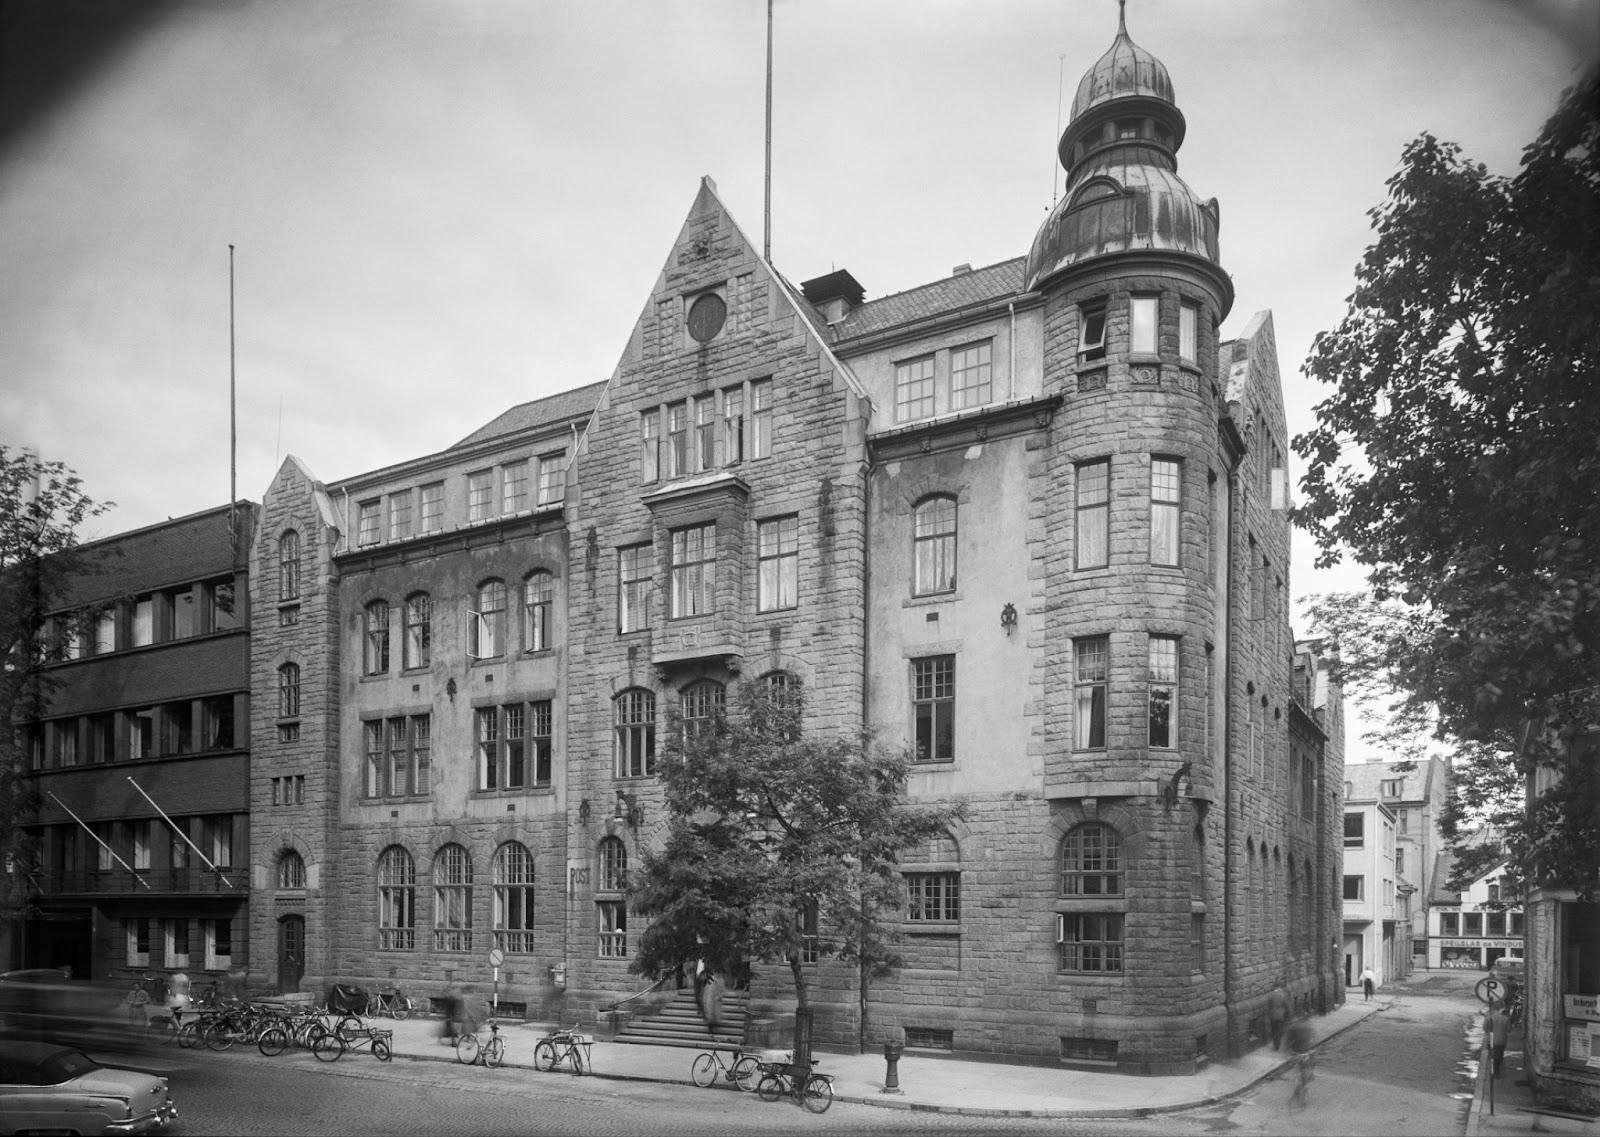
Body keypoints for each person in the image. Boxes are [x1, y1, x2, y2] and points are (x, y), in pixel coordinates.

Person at [1484, 998, 1510, 1077]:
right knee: (1499, 1056)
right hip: (1501, 1041)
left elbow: (1485, 1028)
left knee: (1492, 1056)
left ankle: (1493, 1071)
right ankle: (1497, 1070)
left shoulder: (1489, 1017)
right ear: (1502, 1008)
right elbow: (1508, 1030)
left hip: (1491, 1040)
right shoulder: (1505, 1018)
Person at [1267, 986, 1290, 1050]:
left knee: (1274, 1030)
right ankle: (1278, 1044)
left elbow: (1269, 1006)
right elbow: (1285, 1005)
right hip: (1280, 1016)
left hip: (1272, 1016)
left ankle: (1275, 1045)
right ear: (1278, 989)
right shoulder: (1282, 995)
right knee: (1279, 1030)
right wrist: (1287, 1014)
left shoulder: (1270, 996)